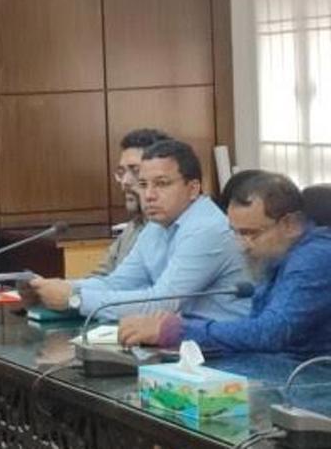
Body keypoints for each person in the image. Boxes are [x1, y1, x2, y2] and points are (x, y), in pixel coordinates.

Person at [25, 140, 250, 321]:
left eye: (162, 184)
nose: (149, 195)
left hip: (225, 349)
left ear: (193, 189)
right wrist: (53, 288)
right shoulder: (155, 226)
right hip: (182, 341)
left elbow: (163, 302)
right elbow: (116, 283)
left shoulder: (207, 229)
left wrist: (75, 300)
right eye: (143, 185)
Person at [118, 172, 331, 358]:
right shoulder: (277, 253)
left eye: (250, 233)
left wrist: (179, 331)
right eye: (236, 232)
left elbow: (270, 333)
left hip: (314, 377)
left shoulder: (315, 257)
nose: (242, 245)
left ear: (291, 225)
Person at [91, 128, 171, 276]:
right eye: (121, 172)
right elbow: (101, 276)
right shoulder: (134, 226)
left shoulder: (173, 230)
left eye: (135, 171)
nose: (125, 182)